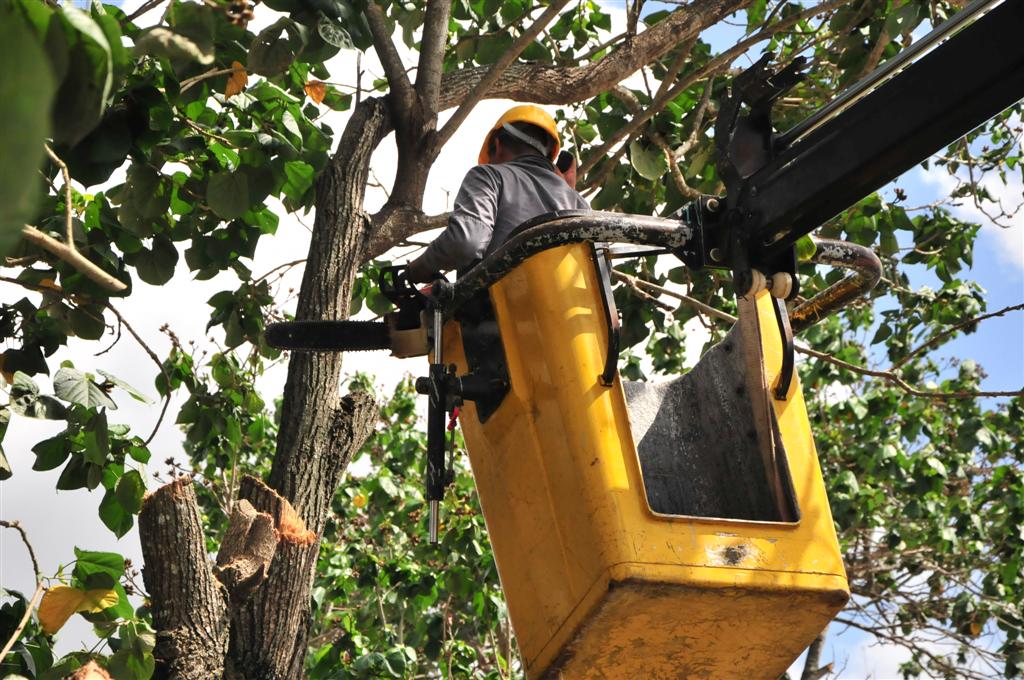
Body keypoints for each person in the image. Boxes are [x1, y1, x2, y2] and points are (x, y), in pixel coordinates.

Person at [406, 105, 589, 283]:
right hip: (571, 311)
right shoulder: (580, 205)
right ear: (549, 159)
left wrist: (419, 268)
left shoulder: (489, 175)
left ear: (497, 145)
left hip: (501, 308)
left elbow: (466, 241)